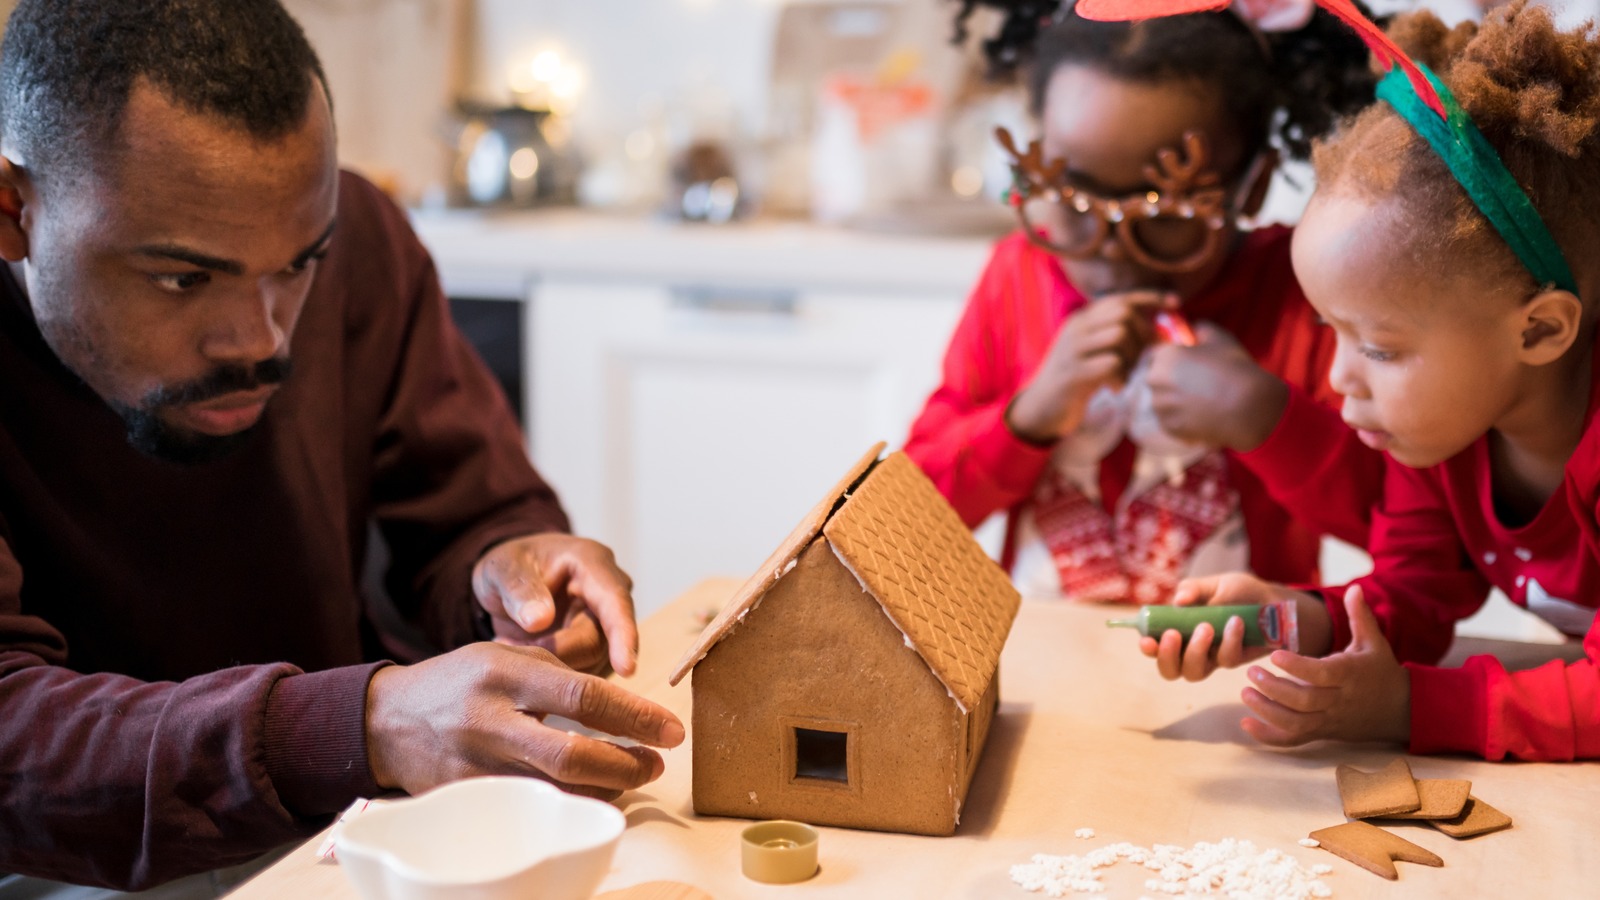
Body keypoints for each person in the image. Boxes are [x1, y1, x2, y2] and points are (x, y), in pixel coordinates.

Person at [0, 0, 683, 890]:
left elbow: (468, 514)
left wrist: (513, 582)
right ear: (15, 211)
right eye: (182, 276)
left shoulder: (360, 235)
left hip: (336, 830)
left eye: (298, 264)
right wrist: (353, 728)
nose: (261, 339)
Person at [1139, 1, 1600, 761]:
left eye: (1381, 348)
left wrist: (1410, 708)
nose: (1338, 378)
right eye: (1332, 331)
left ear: (1541, 330)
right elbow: (1413, 598)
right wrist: (1290, 619)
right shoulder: (1446, 432)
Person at [906, 0, 1385, 604]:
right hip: (1043, 670)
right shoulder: (1018, 274)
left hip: (1244, 680)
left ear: (1253, 186)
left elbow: (1416, 537)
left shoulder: (1303, 295)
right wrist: (1027, 418)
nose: (1109, 254)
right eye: (1073, 203)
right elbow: (909, 516)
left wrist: (1267, 420)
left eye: (1164, 217)